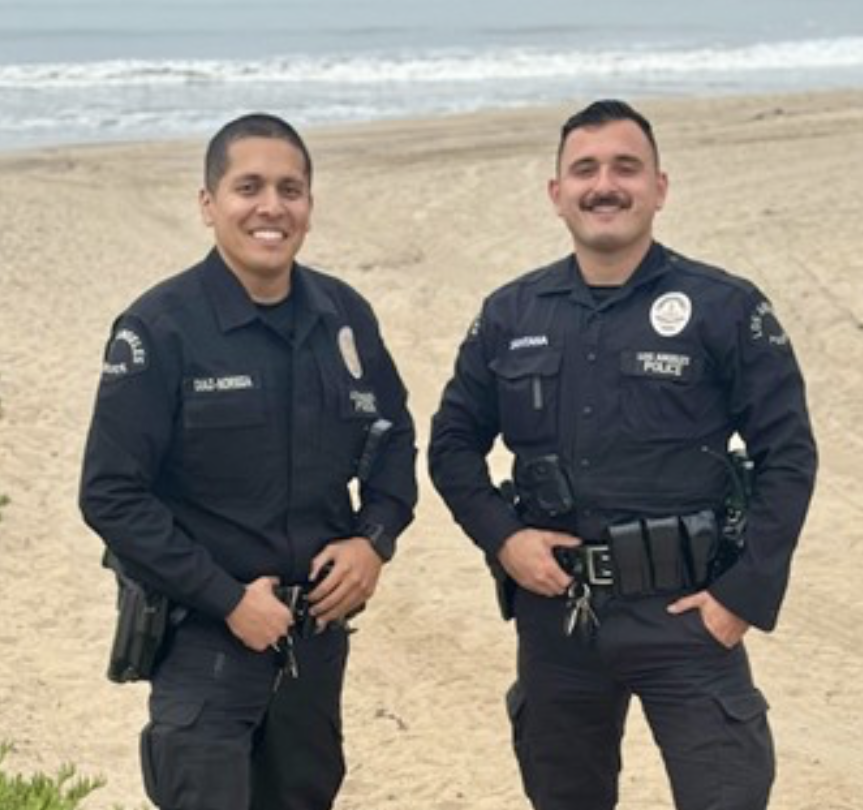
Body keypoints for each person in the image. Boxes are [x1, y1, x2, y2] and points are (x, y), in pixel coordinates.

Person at [428, 99, 817, 810]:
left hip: (687, 617)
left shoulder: (724, 308)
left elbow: (788, 454)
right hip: (558, 622)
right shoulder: (511, 313)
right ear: (557, 194)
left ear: (658, 188)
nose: (604, 184)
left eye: (625, 168)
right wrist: (504, 537)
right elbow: (451, 444)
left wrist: (741, 598)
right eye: (585, 169)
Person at [79, 113, 417, 810]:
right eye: (248, 187)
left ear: (310, 206)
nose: (271, 207)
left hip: (315, 641)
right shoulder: (159, 329)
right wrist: (229, 600)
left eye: (290, 189)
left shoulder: (344, 316)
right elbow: (111, 495)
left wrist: (373, 541)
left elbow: (393, 439)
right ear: (209, 204)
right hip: (204, 642)